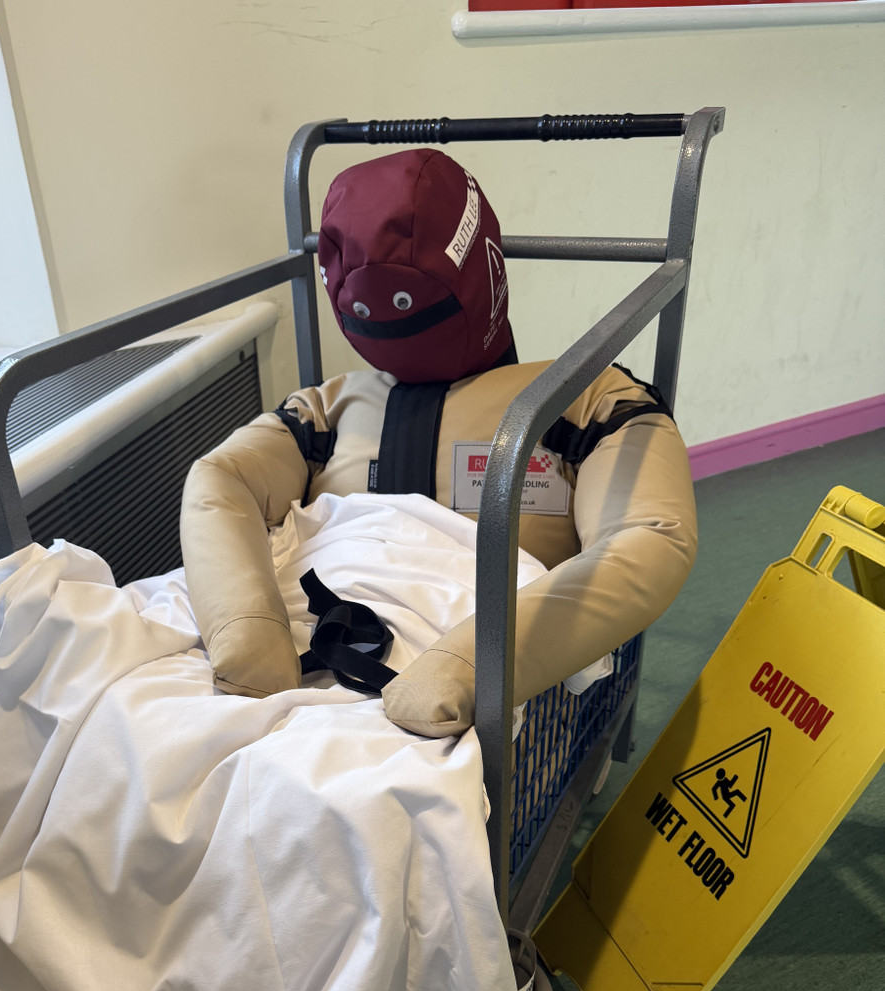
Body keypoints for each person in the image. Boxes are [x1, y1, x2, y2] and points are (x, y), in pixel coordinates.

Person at [181, 147, 697, 735]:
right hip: (325, 621)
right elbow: (222, 479)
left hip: (471, 656)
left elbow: (649, 536)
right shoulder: (329, 408)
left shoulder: (582, 401)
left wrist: (471, 665)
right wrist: (244, 622)